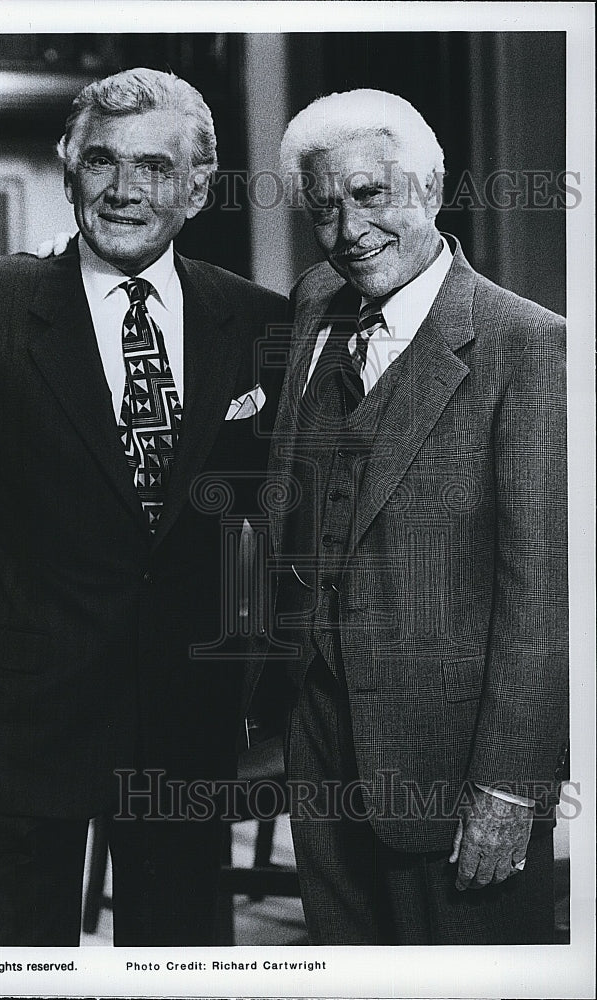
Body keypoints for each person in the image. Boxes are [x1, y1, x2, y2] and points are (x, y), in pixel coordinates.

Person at [0, 68, 286, 947]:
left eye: (154, 167)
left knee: (179, 962)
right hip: (21, 721)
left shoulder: (259, 320)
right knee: (20, 962)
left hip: (188, 726)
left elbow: (291, 525)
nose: (124, 190)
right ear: (68, 169)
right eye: (102, 161)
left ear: (196, 187)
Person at [264, 89, 568, 944]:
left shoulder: (528, 344)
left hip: (451, 764)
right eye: (323, 206)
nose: (347, 228)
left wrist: (511, 788)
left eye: (370, 196)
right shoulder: (314, 306)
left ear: (431, 190)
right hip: (320, 741)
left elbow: (541, 595)